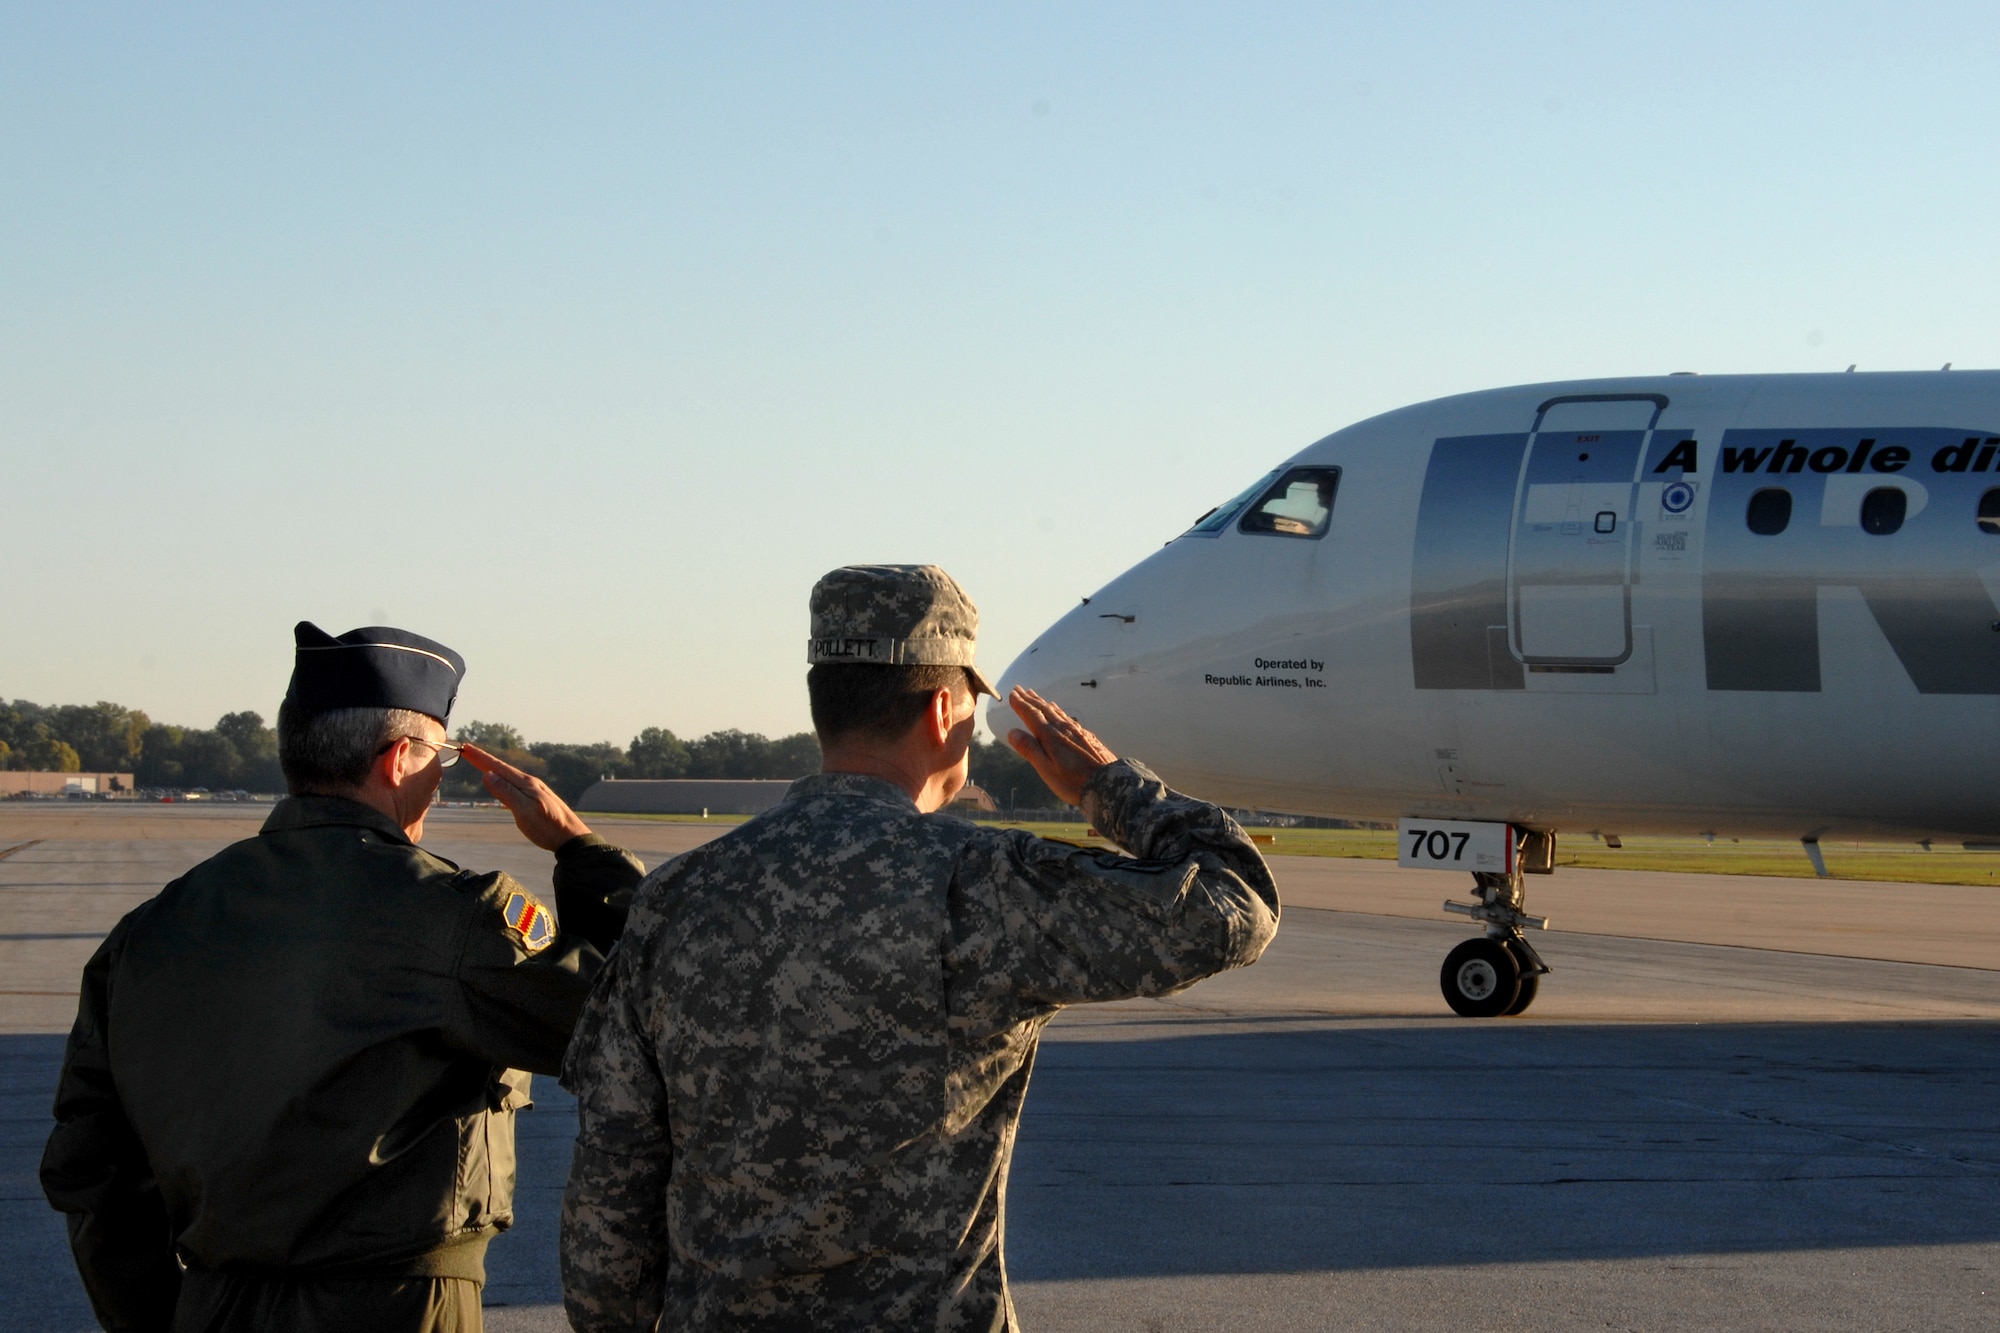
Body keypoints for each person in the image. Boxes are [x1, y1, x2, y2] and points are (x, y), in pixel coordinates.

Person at [560, 564, 1281, 1331]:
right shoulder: (981, 884)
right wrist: (1109, 786)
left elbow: (613, 1183)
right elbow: (1235, 903)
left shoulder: (674, 897)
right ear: (944, 708)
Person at [41, 621, 647, 1333]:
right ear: (397, 760)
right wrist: (581, 850)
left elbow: (91, 1167)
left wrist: (161, 1318)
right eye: (439, 758)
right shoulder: (451, 917)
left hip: (211, 1306)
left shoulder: (148, 931)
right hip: (395, 1309)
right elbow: (629, 1016)